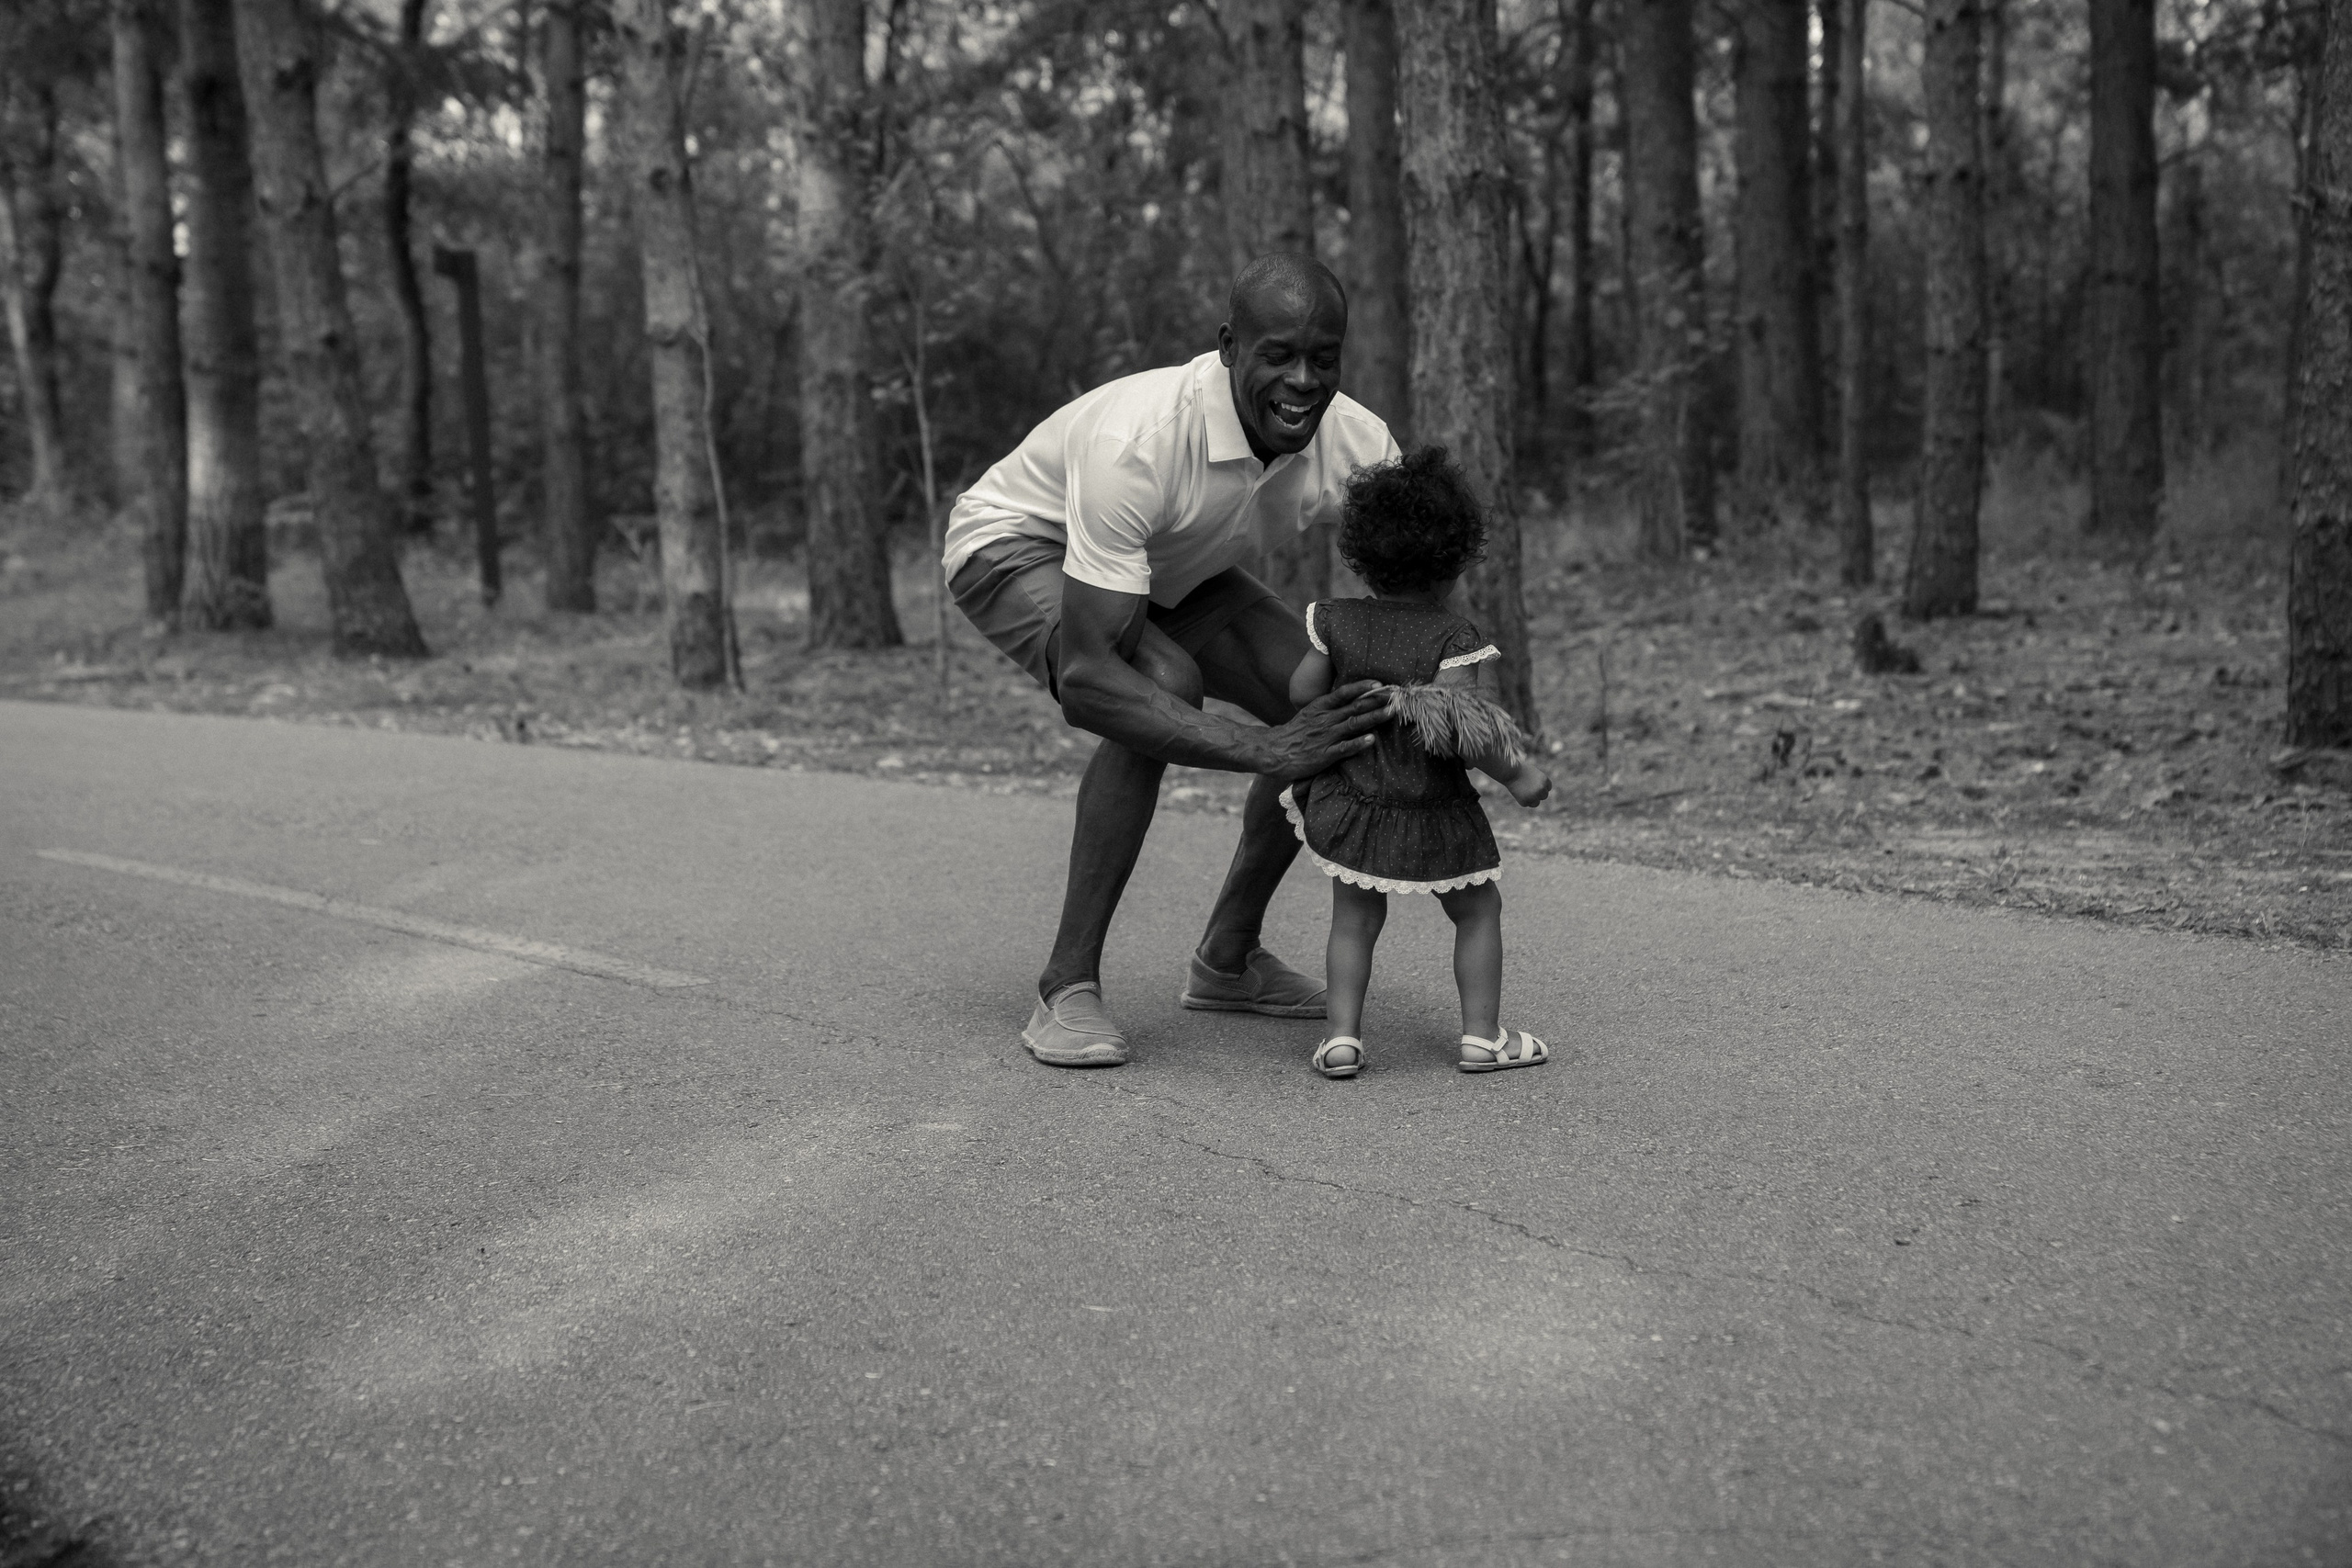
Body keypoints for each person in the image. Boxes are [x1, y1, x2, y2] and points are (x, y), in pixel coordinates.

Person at [943, 254, 1401, 1067]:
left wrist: (1443, 696)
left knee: (1329, 700)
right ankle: (1066, 985)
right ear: (1229, 346)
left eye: (1322, 359)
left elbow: (1412, 590)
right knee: (1156, 684)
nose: (1302, 381)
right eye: (1277, 355)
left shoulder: (1357, 443)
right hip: (1015, 545)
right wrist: (1262, 750)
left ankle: (1228, 958)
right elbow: (1089, 681)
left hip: (1170, 566)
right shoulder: (1142, 441)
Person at [1279, 446, 1555, 1078]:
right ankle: (1482, 1038)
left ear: (1363, 555)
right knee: (1478, 908)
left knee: (1353, 917)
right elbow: (1464, 728)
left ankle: (1343, 1039)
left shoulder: (1335, 618)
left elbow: (1301, 691)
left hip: (1355, 795)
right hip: (1432, 807)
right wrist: (1518, 775)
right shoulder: (1454, 637)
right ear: (1453, 562)